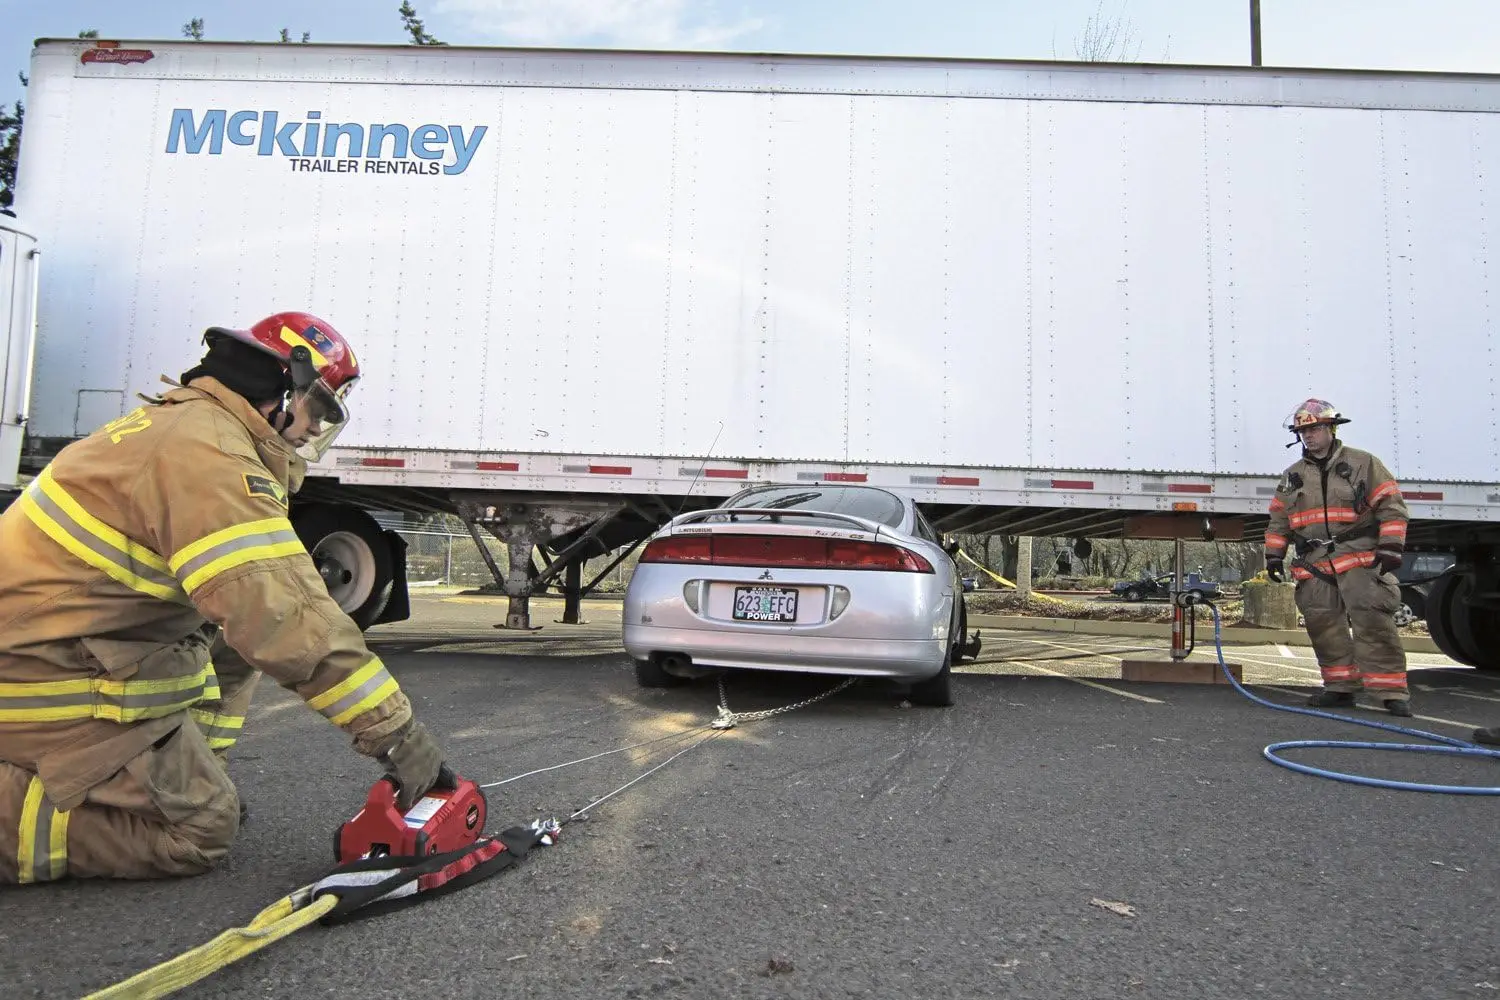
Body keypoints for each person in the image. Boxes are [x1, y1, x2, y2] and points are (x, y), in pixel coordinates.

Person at [0, 312, 448, 883]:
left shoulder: (190, 428)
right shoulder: (209, 455)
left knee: (232, 641)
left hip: (65, 648)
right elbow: (287, 618)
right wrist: (402, 741)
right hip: (36, 678)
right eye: (320, 409)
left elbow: (246, 626)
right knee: (197, 833)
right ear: (286, 388)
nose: (315, 430)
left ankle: (191, 773)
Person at [1263, 399, 1413, 717]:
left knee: (1373, 622)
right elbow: (1278, 518)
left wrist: (1390, 547)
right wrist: (1273, 555)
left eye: (1315, 428)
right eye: (1303, 431)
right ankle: (1340, 687)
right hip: (1315, 561)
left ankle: (1390, 692)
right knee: (1322, 624)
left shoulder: (1363, 464)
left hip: (1360, 557)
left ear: (1331, 428)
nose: (1309, 436)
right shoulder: (1292, 476)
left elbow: (1392, 506)